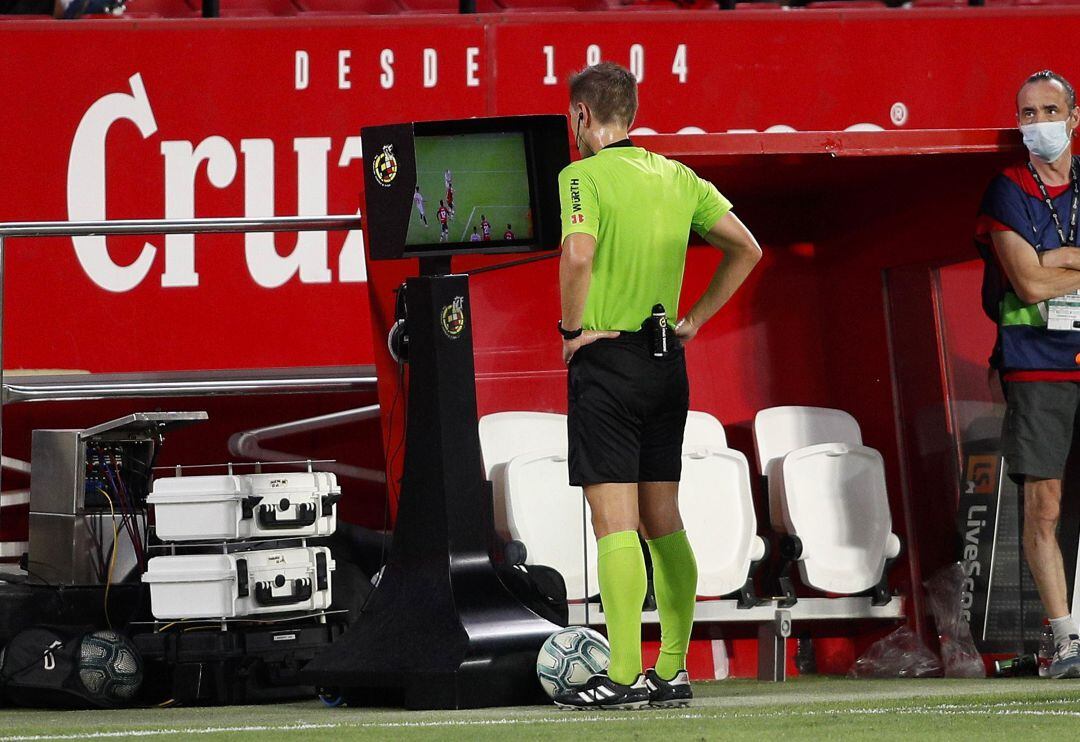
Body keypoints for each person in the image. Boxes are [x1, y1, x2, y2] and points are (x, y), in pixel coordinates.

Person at [554, 62, 761, 709]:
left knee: (613, 524)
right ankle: (671, 672)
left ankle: (619, 677)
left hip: (608, 361)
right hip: (666, 363)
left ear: (583, 116)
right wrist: (694, 319)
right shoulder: (679, 176)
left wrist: (570, 327)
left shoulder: (581, 177)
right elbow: (746, 249)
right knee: (663, 522)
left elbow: (579, 254)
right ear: (631, 112)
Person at [976, 69, 1080, 679]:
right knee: (1043, 504)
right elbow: (1030, 282)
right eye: (1026, 113)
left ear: (1074, 118)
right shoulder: (1008, 188)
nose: (1036, 122)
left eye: (1048, 110)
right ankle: (1066, 639)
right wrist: (1050, 265)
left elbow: (1048, 269)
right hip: (1035, 364)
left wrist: (1061, 255)